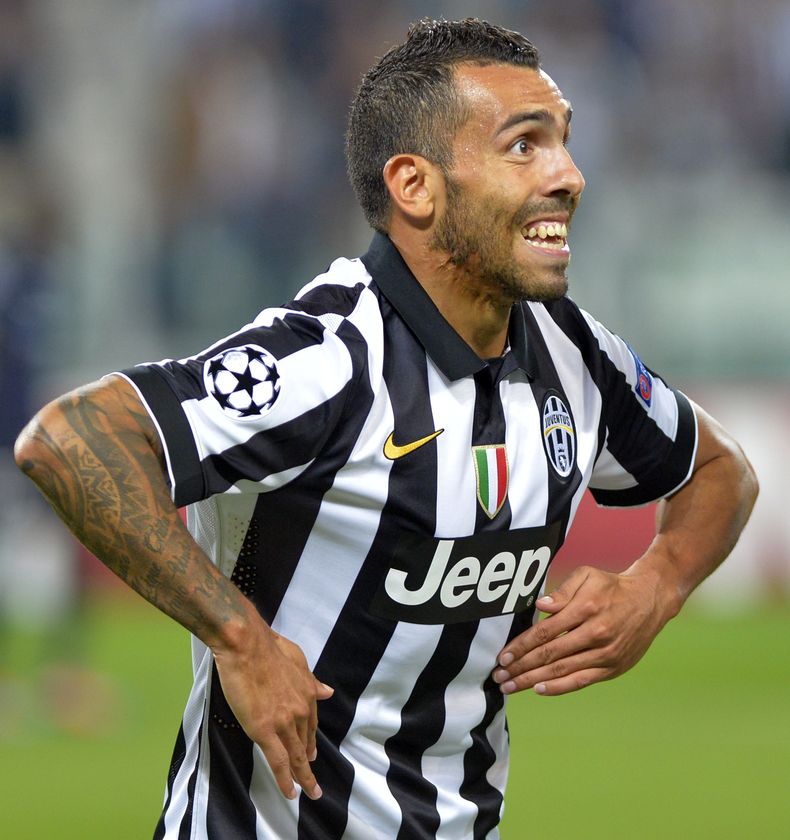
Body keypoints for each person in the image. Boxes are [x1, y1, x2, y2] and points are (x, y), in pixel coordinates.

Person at [14, 18, 757, 840]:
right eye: (524, 146)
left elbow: (721, 470)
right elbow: (70, 438)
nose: (569, 176)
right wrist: (240, 638)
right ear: (415, 186)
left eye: (564, 142)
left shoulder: (574, 353)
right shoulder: (330, 359)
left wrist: (657, 586)